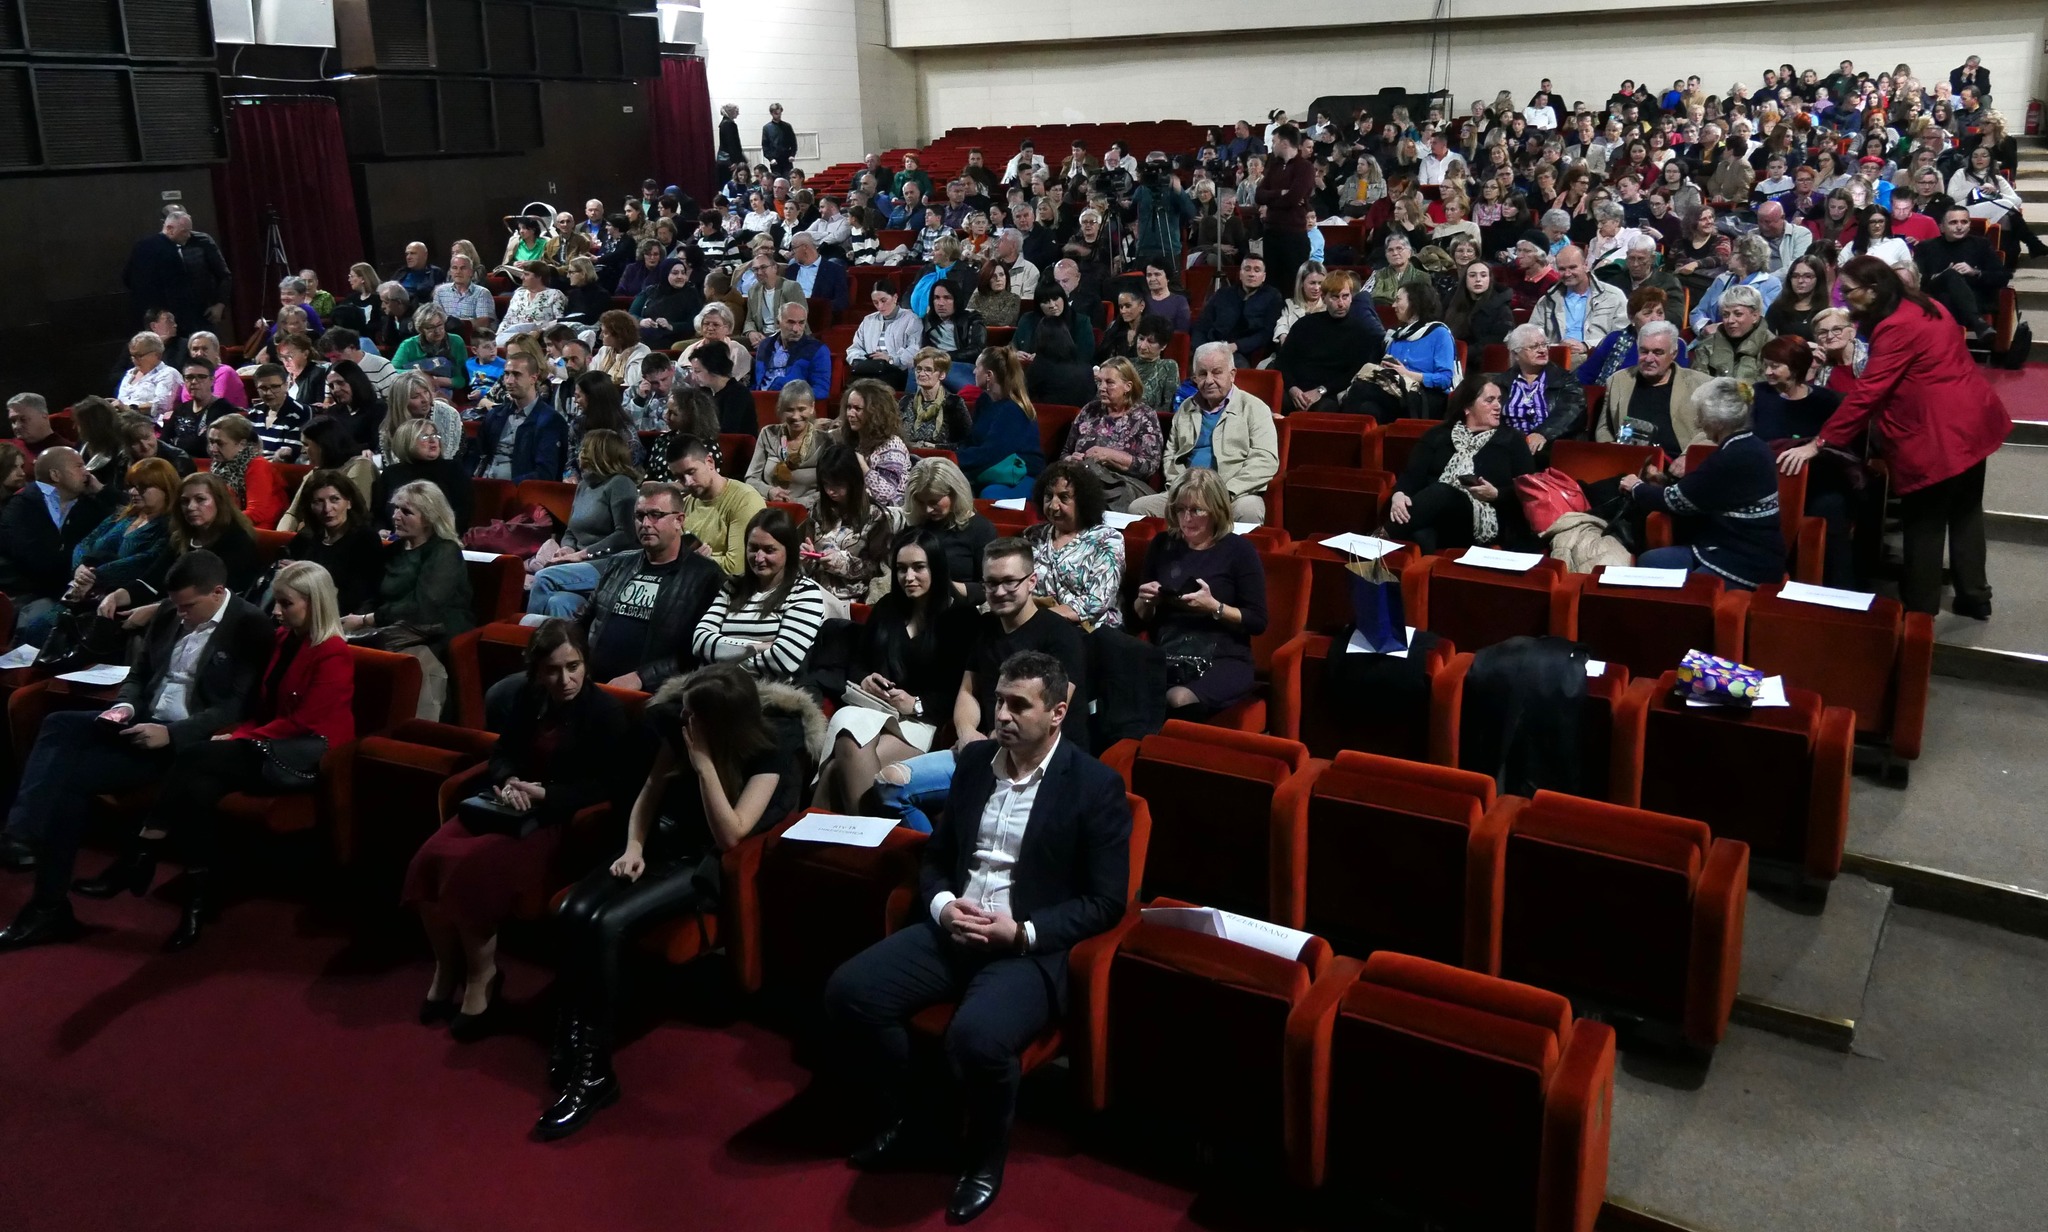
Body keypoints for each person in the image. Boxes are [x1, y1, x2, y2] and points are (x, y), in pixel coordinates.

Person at [827, 647, 1128, 1223]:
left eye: (1019, 705)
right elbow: (937, 858)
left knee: (978, 1039)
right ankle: (918, 1120)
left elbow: (1107, 902)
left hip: (1026, 948)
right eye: (998, 701)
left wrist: (1025, 931)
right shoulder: (973, 764)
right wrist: (942, 907)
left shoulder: (1095, 786)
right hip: (953, 928)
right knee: (851, 993)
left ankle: (984, 1158)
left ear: (1058, 713)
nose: (1002, 715)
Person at [540, 657, 814, 1140]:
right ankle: (573, 1030)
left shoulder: (773, 749)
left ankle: (596, 1074)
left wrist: (704, 763)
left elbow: (731, 835)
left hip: (702, 861)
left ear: (720, 722)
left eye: (692, 715)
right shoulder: (681, 726)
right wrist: (633, 847)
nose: (682, 719)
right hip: (660, 844)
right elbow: (649, 792)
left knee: (607, 924)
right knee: (575, 909)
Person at [68, 560, 355, 951]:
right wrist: (242, 733)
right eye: (276, 601)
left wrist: (240, 735)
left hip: (307, 755)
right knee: (199, 789)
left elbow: (304, 722)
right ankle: (195, 903)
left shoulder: (333, 652)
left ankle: (140, 853)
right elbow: (262, 705)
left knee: (195, 756)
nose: (275, 611)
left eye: (286, 603)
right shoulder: (284, 639)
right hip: (266, 743)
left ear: (314, 603)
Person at [0, 549, 271, 950]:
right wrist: (125, 706)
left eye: (188, 607)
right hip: (138, 719)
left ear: (217, 593)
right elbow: (139, 674)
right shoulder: (170, 611)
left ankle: (47, 905)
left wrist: (172, 735)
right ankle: (22, 833)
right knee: (58, 724)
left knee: (70, 782)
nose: (180, 614)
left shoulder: (250, 625)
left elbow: (234, 707)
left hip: (184, 743)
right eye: (176, 606)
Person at [406, 617, 639, 1042]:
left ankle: (482, 978)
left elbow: (612, 785)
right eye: (553, 670)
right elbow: (502, 752)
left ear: (586, 664)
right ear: (537, 671)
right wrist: (509, 779)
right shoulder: (530, 696)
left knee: (469, 870)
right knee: (429, 858)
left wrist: (547, 794)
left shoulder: (605, 713)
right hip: (506, 807)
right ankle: (446, 968)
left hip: (554, 821)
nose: (565, 679)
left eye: (573, 667)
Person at [1781, 256, 2010, 617]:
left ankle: (1920, 609)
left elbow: (1869, 391)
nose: (1844, 299)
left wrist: (1820, 442)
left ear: (1873, 289)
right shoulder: (1926, 304)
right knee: (1966, 512)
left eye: (1848, 292)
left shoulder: (1896, 325)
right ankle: (1975, 596)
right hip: (1972, 419)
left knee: (1924, 522)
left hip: (1936, 431)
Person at [813, 529, 981, 812]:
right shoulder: (887, 608)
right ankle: (861, 833)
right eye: (902, 569)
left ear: (937, 568)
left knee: (837, 767)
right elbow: (858, 661)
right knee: (847, 740)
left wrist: (916, 704)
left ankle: (858, 832)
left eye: (918, 567)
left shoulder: (962, 619)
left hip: (922, 722)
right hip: (877, 711)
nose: (908, 577)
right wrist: (865, 680)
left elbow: (962, 688)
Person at [1622, 378, 1788, 590]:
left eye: (1701, 416)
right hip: (1726, 548)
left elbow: (1677, 501)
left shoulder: (1731, 456)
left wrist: (1636, 487)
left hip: (1744, 563)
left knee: (1690, 591)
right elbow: (1702, 491)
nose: (1698, 424)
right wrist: (1664, 482)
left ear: (1718, 422)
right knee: (1651, 561)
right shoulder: (1753, 446)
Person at [1133, 468, 1269, 717]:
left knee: (1178, 698)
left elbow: (1257, 621)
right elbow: (1142, 616)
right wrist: (1146, 602)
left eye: (1196, 510)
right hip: (1168, 649)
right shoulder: (1162, 545)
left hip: (1223, 655)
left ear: (1216, 511)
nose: (1186, 518)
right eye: (1180, 509)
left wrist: (1214, 607)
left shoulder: (1240, 551)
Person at [340, 480, 474, 719]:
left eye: (406, 511)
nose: (395, 516)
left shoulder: (445, 551)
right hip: (394, 624)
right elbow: (376, 595)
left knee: (412, 658)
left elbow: (424, 607)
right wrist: (357, 618)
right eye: (395, 508)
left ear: (429, 518)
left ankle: (416, 729)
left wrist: (366, 620)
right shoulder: (396, 548)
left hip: (437, 630)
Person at [1388, 373, 1537, 556]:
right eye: (1489, 400)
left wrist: (1496, 494)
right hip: (1437, 518)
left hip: (1485, 518)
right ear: (1467, 407)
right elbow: (1412, 476)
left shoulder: (1512, 440)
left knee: (1442, 492)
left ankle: (1380, 538)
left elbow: (1528, 490)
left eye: (1499, 400)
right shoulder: (1438, 435)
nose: (1498, 406)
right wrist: (1399, 495)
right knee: (1421, 535)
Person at [1130, 342, 1279, 523]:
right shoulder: (1185, 408)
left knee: (1249, 510)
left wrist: (1226, 492)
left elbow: (1265, 459)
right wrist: (1182, 489)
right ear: (1195, 378)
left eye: (1216, 372)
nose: (1209, 380)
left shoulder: (1254, 408)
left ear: (1232, 374)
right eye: (1202, 374)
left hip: (1234, 494)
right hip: (1188, 492)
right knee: (1138, 508)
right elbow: (1171, 455)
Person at [692, 507, 829, 680]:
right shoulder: (733, 585)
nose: (758, 558)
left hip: (768, 691)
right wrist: (756, 647)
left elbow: (783, 660)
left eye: (769, 550)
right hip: (715, 683)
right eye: (753, 548)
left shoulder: (804, 592)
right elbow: (699, 641)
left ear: (789, 551)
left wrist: (723, 655)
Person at [523, 430, 644, 616]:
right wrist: (568, 549)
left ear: (601, 454)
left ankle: (527, 632)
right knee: (559, 603)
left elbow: (625, 535)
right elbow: (571, 531)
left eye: (585, 449)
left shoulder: (621, 483)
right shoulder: (583, 486)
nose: (580, 455)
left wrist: (582, 554)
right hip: (579, 562)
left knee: (543, 577)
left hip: (610, 564)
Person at [1020, 460, 1124, 629]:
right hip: (1038, 626)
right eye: (1049, 496)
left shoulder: (1107, 539)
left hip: (1090, 629)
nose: (1053, 506)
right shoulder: (1033, 536)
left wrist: (1039, 618)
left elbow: (1096, 602)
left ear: (1083, 502)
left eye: (1064, 497)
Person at [1061, 357, 1164, 512]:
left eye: (1109, 383)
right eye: (1099, 382)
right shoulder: (1089, 410)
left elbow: (1149, 466)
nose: (1102, 388)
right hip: (1082, 477)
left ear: (1128, 386)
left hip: (1122, 485)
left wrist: (1109, 455)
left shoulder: (1145, 416)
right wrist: (1071, 459)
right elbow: (1065, 453)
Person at [1275, 270, 1385, 414]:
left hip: (1328, 393)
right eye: (1335, 297)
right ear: (1324, 298)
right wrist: (1292, 388)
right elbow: (1283, 361)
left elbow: (1354, 372)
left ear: (1351, 298)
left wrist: (1320, 391)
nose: (1341, 303)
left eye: (1345, 296)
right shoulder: (1305, 324)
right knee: (1270, 402)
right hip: (1296, 390)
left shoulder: (1361, 331)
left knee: (1326, 409)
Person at [803, 444, 902, 603]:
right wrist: (807, 558)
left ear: (853, 481)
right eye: (826, 484)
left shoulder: (876, 516)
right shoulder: (818, 509)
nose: (830, 491)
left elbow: (878, 568)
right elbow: (809, 553)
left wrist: (841, 563)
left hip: (856, 596)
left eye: (837, 485)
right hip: (816, 590)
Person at [1344, 284, 1456, 423]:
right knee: (1368, 409)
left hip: (1426, 396)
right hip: (1394, 392)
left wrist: (1408, 374)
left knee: (1361, 390)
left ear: (1414, 302)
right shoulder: (1396, 336)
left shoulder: (1439, 333)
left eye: (1398, 300)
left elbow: (1445, 379)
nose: (1393, 305)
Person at [1595, 321, 1712, 452]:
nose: (1649, 359)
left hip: (1678, 460)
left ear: (1673, 354)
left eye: (1658, 352)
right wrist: (1611, 449)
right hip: (1630, 459)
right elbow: (1604, 428)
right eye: (1644, 351)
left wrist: (1688, 456)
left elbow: (1715, 433)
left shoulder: (1701, 385)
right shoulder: (1617, 381)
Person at [285, 468, 386, 615]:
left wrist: (304, 577)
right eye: (318, 502)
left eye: (335, 499)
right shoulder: (307, 537)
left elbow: (360, 596)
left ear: (349, 502)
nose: (327, 509)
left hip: (341, 615)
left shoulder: (366, 539)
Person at [1913, 203, 2012, 345]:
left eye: (1964, 222)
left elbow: (2003, 277)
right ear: (1942, 227)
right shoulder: (1925, 247)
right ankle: (1977, 322)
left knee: (1948, 297)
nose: (1959, 227)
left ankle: (1945, 345)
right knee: (1950, 275)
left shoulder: (1981, 245)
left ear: (1969, 225)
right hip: (1935, 295)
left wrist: (1974, 272)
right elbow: (1916, 281)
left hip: (1973, 298)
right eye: (1953, 222)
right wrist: (1939, 276)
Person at [669, 435, 765, 576]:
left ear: (710, 462)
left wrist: (695, 561)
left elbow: (737, 568)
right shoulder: (686, 502)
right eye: (680, 477)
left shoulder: (745, 500)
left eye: (691, 472)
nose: (687, 482)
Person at [955, 348, 1043, 501]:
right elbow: (971, 441)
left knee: (989, 494)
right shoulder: (984, 401)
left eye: (977, 367)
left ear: (989, 375)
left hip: (1020, 473)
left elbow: (992, 453)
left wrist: (953, 459)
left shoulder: (1013, 409)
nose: (974, 371)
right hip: (989, 467)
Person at [1491, 324, 1585, 457]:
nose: (1542, 350)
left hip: (1548, 447)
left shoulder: (1566, 380)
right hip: (1508, 446)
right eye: (1534, 346)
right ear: (1516, 354)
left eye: (1544, 345)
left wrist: (1542, 433)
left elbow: (1572, 411)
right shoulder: (1501, 383)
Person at [473, 353, 567, 483]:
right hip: (484, 483)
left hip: (518, 490)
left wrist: (510, 487)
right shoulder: (495, 415)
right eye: (507, 374)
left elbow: (545, 473)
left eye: (516, 375)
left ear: (533, 378)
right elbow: (478, 456)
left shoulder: (550, 421)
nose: (509, 381)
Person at [1531, 246, 1628, 367]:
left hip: (1599, 360)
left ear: (1585, 265)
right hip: (1556, 363)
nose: (1567, 273)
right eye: (1562, 269)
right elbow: (1532, 338)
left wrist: (1587, 346)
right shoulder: (1547, 301)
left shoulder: (1614, 296)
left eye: (1572, 267)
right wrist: (1558, 348)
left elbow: (1623, 337)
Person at [275, 416, 373, 534]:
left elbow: (356, 514)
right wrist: (281, 538)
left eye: (306, 444)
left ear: (323, 445)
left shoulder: (360, 466)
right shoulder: (315, 473)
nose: (302, 451)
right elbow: (293, 513)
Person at [1577, 285, 1684, 387]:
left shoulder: (1676, 344)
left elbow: (1681, 384)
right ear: (1631, 317)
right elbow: (1584, 376)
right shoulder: (1614, 340)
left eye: (1659, 313)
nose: (1655, 319)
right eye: (1647, 313)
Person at [745, 381, 828, 507]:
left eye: (802, 409)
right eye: (789, 410)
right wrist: (769, 491)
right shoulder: (768, 434)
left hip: (809, 510)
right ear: (781, 410)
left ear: (812, 407)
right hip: (769, 507)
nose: (795, 416)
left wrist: (797, 503)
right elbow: (751, 478)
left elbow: (831, 488)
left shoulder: (825, 441)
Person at [1190, 255, 1281, 367]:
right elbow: (1201, 326)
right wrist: (1201, 349)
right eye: (1247, 269)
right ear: (1240, 274)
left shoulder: (1272, 297)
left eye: (1257, 270)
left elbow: (1266, 333)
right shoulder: (1223, 294)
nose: (1251, 274)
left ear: (1263, 277)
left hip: (1242, 351)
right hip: (1212, 346)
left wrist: (1237, 346)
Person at [1257, 124, 1316, 291]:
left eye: (1274, 141)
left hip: (1293, 235)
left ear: (1284, 143)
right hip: (1271, 233)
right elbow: (1258, 195)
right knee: (1271, 285)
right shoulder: (1274, 166)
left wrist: (1271, 201)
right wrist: (1280, 193)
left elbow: (1293, 198)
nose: (1272, 145)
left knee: (1293, 285)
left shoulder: (1305, 167)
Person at [1690, 234, 1784, 335]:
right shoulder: (1722, 280)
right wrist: (1704, 328)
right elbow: (1698, 312)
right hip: (1709, 338)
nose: (1729, 256)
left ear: (1747, 258)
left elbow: (1761, 321)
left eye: (1734, 253)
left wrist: (1721, 329)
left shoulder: (1771, 284)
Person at [846, 277, 924, 387]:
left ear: (895, 297)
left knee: (876, 385)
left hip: (897, 370)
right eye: (875, 302)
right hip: (870, 368)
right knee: (853, 385)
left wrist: (890, 359)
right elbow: (854, 348)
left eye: (883, 301)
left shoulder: (911, 319)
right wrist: (865, 359)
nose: (880, 306)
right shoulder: (868, 320)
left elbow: (914, 351)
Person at [1689, 285, 1773, 382]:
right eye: (1725, 315)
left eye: (1738, 314)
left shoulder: (1772, 347)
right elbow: (1696, 382)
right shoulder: (1708, 344)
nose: (1730, 320)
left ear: (1755, 316)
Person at [1012, 280, 1094, 365]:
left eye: (1055, 299)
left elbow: (1084, 356)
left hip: (1067, 370)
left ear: (1063, 298)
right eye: (1045, 301)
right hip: (1028, 370)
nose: (1052, 305)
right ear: (1038, 305)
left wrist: (1043, 359)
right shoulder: (1027, 319)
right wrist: (1014, 355)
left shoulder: (1081, 321)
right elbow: (1013, 347)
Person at [1444, 260, 1515, 350]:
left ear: (1490, 279)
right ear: (1465, 279)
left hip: (1480, 356)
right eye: (1472, 275)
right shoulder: (1452, 301)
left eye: (1483, 275)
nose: (1478, 279)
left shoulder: (1502, 309)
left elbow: (1491, 344)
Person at [1765, 254, 1834, 341]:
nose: (1800, 281)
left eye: (1808, 276)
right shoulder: (1777, 309)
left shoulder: (1827, 311)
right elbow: (1766, 341)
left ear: (1819, 279)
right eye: (1795, 276)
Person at [115, 331, 181, 423]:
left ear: (157, 355)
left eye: (139, 355)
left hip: (150, 425)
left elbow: (162, 405)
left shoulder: (168, 373)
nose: (134, 360)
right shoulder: (130, 373)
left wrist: (129, 408)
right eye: (133, 356)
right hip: (123, 423)